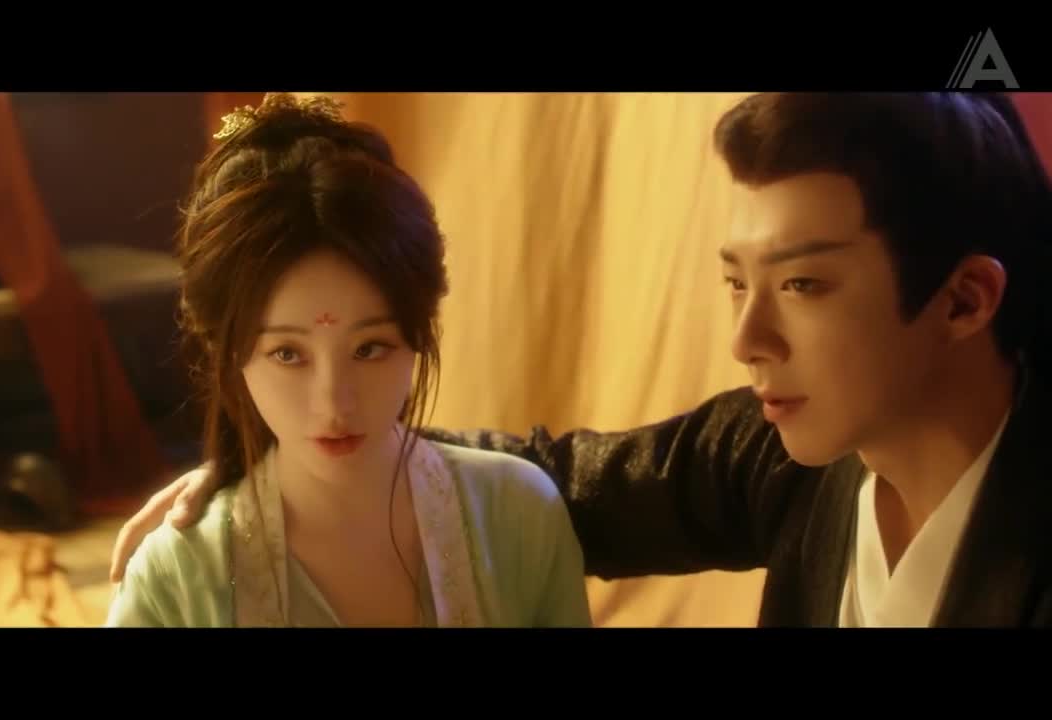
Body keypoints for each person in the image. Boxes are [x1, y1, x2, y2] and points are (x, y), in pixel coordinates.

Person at [112, 92, 1052, 628]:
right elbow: (559, 483)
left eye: (804, 284)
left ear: (965, 299)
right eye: (736, 282)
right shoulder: (782, 457)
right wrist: (288, 454)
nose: (746, 341)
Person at [103, 93, 591, 628]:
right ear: (228, 351)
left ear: (421, 328)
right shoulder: (177, 574)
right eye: (287, 353)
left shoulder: (520, 515)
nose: (335, 402)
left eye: (369, 348)